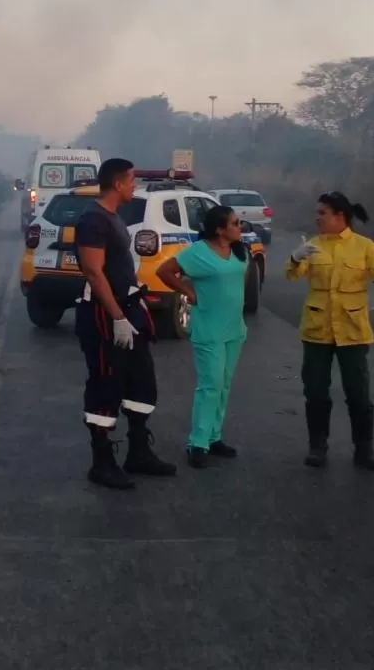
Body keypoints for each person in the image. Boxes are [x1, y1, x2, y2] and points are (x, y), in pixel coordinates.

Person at [74, 157, 177, 489]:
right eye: (132, 180)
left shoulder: (114, 217)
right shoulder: (93, 219)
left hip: (128, 309)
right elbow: (93, 271)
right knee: (106, 385)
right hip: (106, 315)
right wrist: (117, 317)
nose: (135, 185)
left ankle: (138, 453)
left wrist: (130, 312)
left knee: (141, 382)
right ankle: (101, 462)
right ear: (117, 183)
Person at [285, 191, 374, 471]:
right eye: (318, 212)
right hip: (317, 329)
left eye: (323, 212)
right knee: (316, 392)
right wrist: (296, 258)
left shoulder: (364, 246)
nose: (317, 217)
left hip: (352, 330)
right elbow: (292, 275)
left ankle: (364, 449)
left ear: (340, 216)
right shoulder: (313, 245)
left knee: (358, 394)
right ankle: (318, 446)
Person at [156, 205, 248, 469]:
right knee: (210, 385)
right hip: (209, 328)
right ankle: (198, 443)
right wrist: (188, 292)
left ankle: (214, 436)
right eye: (234, 223)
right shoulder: (199, 252)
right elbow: (164, 271)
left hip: (234, 329)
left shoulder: (239, 250)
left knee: (224, 385)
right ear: (219, 229)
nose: (239, 226)